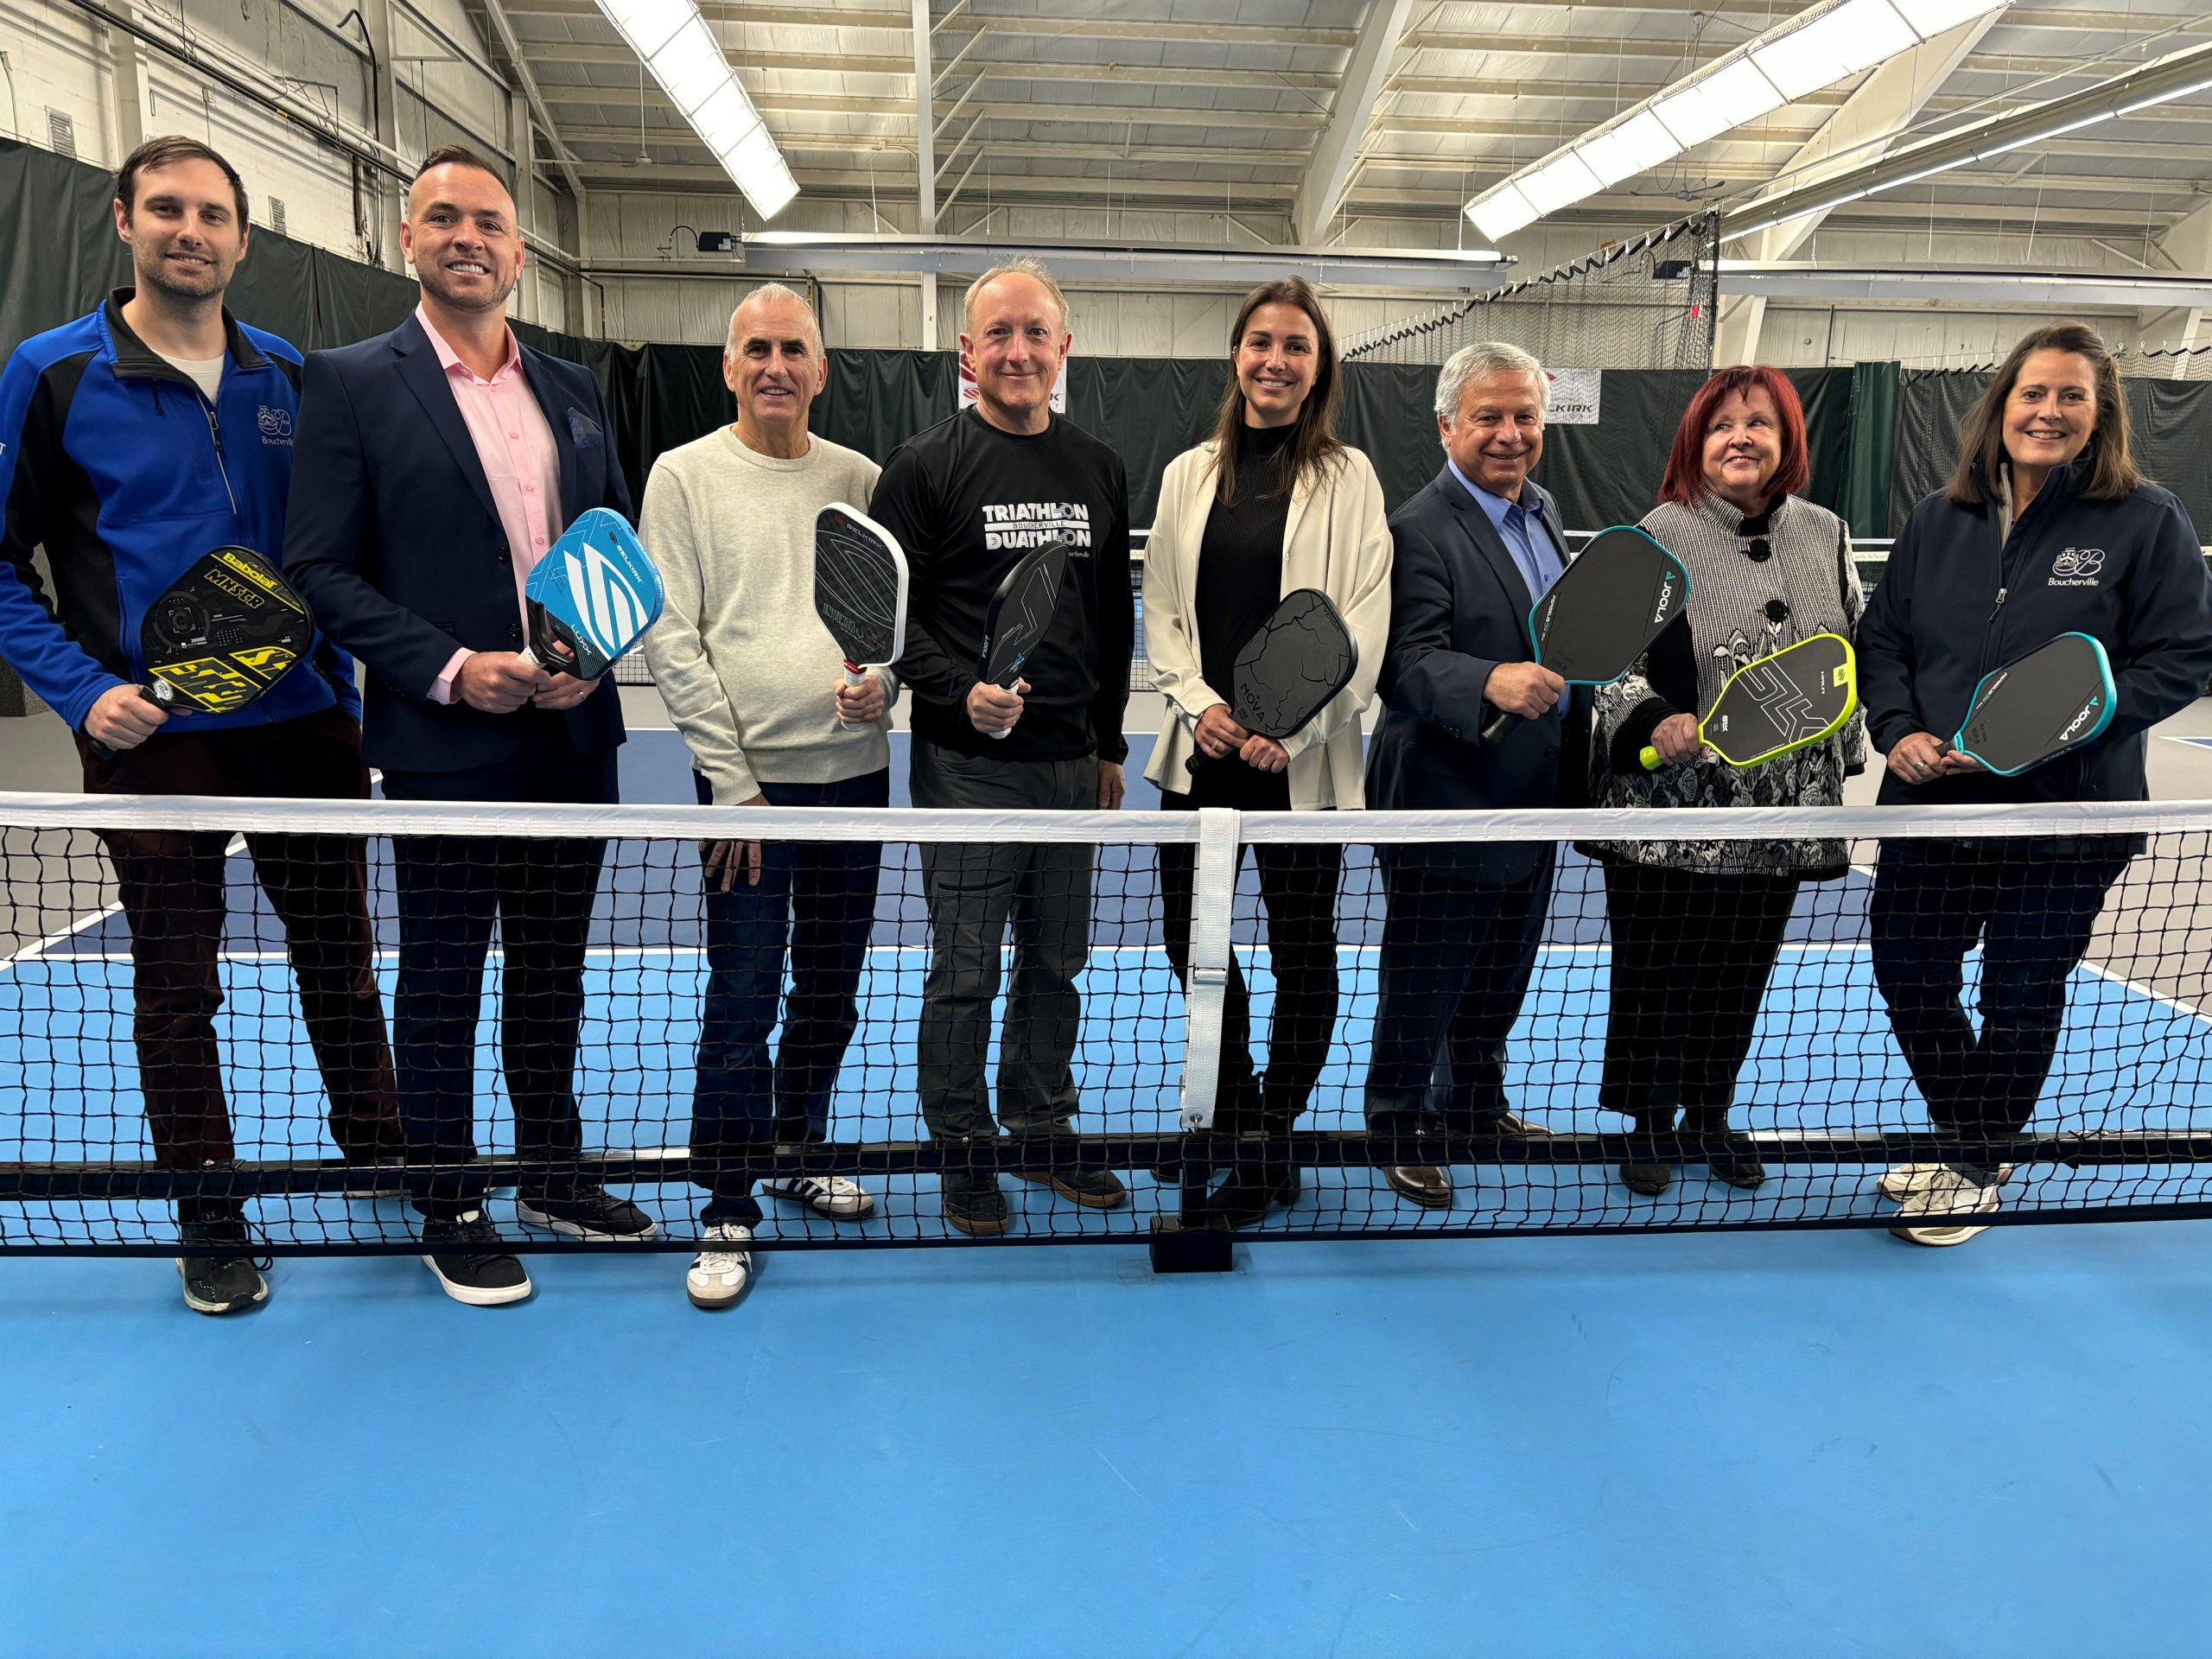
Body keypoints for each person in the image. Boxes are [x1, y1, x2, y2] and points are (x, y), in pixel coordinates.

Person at [0, 136, 403, 1316]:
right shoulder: (52, 372)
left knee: (339, 955)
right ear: (121, 221)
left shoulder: (288, 373)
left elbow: (328, 552)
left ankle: (379, 1144)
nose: (192, 231)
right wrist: (83, 692)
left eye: (213, 214)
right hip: (150, 737)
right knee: (178, 982)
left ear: (241, 236)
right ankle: (206, 1205)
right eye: (166, 209)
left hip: (304, 728)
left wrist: (332, 674)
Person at [284, 145, 644, 1306]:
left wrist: (595, 661)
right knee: (442, 976)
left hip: (574, 738)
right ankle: (446, 1191)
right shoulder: (347, 382)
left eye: (487, 221)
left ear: (519, 251)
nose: (466, 238)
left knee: (552, 972)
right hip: (448, 742)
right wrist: (448, 668)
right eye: (442, 218)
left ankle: (551, 1168)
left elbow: (614, 547)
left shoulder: (576, 390)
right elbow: (320, 570)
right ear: (406, 239)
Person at [1861, 319, 2212, 1247]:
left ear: (2099, 417)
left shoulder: (2147, 520)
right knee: (1908, 973)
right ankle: (1974, 1132)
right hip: (1933, 803)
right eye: (2033, 393)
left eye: (2070, 397)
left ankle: (1973, 1162)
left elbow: (2181, 659)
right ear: (2001, 406)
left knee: (2020, 987)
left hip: (2069, 812)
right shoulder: (1940, 520)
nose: (2048, 412)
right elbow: (1885, 641)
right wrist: (1896, 731)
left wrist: (2051, 732)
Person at [864, 257, 1135, 1237]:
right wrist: (958, 693)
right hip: (966, 768)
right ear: (966, 352)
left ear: (1063, 351)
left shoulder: (1098, 466)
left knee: (1057, 965)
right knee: (965, 971)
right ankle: (962, 1148)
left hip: (1070, 768)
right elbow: (891, 628)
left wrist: (1107, 743)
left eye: (1036, 334)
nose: (1018, 351)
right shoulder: (924, 466)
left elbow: (1109, 620)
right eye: (999, 335)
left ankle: (1041, 1123)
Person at [639, 283, 887, 1310]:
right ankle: (725, 1201)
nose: (775, 365)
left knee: (829, 988)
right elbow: (672, 636)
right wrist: (733, 787)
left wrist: (888, 684)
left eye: (794, 348)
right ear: (730, 366)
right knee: (741, 997)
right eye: (756, 349)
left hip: (856, 783)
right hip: (744, 794)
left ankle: (795, 1146)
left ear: (821, 370)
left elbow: (893, 624)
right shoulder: (682, 476)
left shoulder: (863, 478)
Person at [1580, 365, 1864, 1198]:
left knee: (1741, 971)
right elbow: (1605, 666)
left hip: (1778, 820)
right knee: (1656, 972)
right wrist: (1655, 720)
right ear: (1694, 444)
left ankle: (1708, 1113)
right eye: (1722, 426)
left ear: (1787, 441)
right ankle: (1646, 1122)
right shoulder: (1652, 534)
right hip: (1670, 815)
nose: (1741, 438)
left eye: (1760, 423)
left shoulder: (1827, 533)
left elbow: (1857, 647)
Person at [1143, 276, 1389, 1227]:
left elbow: (1362, 625)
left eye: (1295, 345)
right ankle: (1236, 1108)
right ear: (1236, 356)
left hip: (1302, 764)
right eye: (1260, 342)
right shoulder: (1184, 474)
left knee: (1302, 949)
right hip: (1199, 753)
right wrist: (1201, 704)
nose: (1274, 361)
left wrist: (1293, 729)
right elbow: (1161, 610)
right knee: (1189, 942)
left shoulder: (1351, 476)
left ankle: (1270, 1131)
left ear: (1317, 365)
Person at [1361, 341, 1584, 1211]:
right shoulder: (1416, 528)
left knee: (1502, 968)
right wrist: (1484, 679)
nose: (1509, 434)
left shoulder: (1543, 511)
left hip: (1531, 794)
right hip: (1442, 794)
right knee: (1425, 977)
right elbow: (1401, 661)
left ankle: (1474, 1108)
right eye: (1487, 416)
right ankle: (1395, 1123)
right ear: (1447, 425)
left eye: (1524, 415)